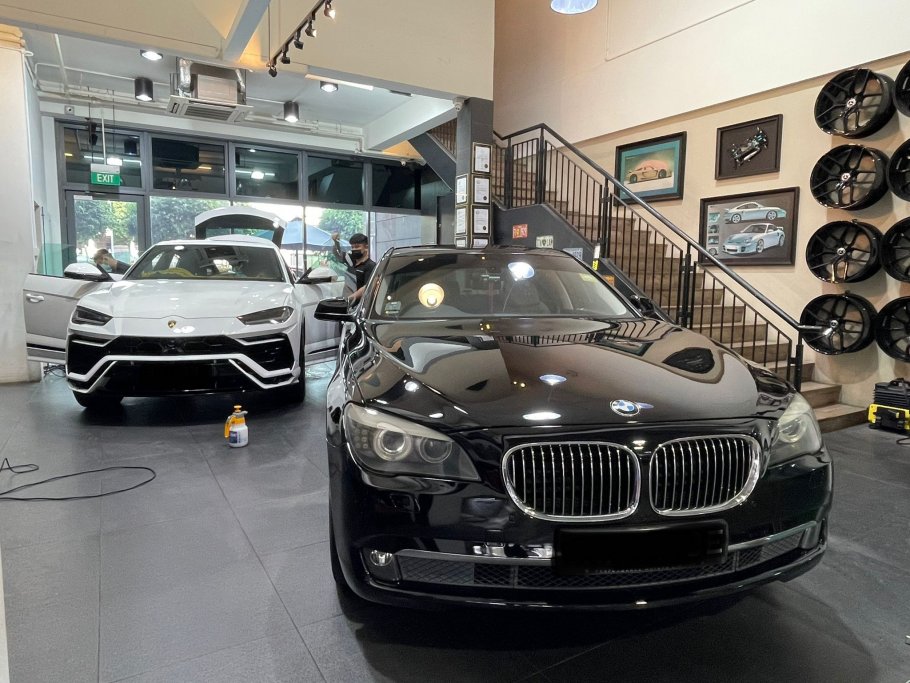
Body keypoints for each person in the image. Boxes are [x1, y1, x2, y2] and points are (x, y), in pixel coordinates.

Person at [331, 232, 375, 304]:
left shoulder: (370, 265)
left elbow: (367, 287)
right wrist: (336, 242)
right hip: (346, 303)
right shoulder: (350, 260)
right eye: (352, 247)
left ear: (366, 247)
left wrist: (350, 299)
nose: (354, 249)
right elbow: (337, 253)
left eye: (357, 247)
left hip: (359, 305)